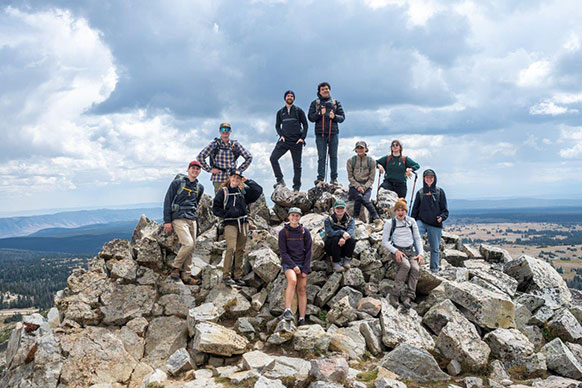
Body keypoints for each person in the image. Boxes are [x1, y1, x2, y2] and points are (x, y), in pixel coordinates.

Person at [212, 169, 263, 286]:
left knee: (241, 249)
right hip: (230, 223)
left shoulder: (243, 192)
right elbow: (215, 208)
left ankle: (237, 276)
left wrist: (248, 181)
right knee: (231, 248)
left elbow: (258, 190)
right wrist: (227, 215)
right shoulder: (223, 192)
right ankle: (226, 275)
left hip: (243, 223)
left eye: (238, 178)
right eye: (234, 177)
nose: (235, 180)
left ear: (241, 180)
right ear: (230, 178)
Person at [163, 160, 205, 285]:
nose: (195, 170)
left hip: (192, 218)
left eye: (197, 169)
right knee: (188, 243)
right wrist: (167, 220)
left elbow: (196, 203)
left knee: (191, 248)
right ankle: (175, 267)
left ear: (199, 171)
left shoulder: (199, 187)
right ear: (188, 169)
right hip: (179, 217)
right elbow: (168, 200)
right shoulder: (177, 183)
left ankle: (187, 276)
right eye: (193, 168)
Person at [382, 199, 424, 309]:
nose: (400, 212)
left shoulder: (411, 221)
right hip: (398, 251)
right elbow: (384, 241)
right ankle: (394, 294)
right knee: (405, 266)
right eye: (398, 210)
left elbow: (417, 238)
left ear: (406, 211)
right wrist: (395, 251)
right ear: (395, 211)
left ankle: (409, 296)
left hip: (411, 251)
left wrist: (420, 253)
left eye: (403, 210)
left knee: (415, 268)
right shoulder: (390, 223)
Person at [279, 207, 313, 326]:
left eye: (297, 215)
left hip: (302, 263)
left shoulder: (305, 232)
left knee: (302, 289)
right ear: (288, 217)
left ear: (300, 217)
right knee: (292, 280)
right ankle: (287, 310)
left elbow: (309, 251)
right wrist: (293, 266)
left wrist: (305, 268)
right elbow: (283, 252)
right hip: (289, 263)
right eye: (292, 215)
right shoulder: (283, 232)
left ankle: (302, 318)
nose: (294, 217)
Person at [197, 122, 253, 194]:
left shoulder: (235, 145)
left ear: (230, 131)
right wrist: (210, 169)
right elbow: (200, 157)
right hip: (219, 178)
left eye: (227, 130)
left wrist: (239, 170)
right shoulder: (214, 144)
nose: (225, 132)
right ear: (220, 131)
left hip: (234, 178)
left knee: (239, 196)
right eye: (223, 129)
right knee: (220, 200)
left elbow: (249, 157)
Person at [411, 169, 449, 273]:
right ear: (424, 178)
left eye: (431, 177)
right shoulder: (420, 192)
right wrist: (412, 223)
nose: (429, 179)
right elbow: (415, 209)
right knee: (414, 239)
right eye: (427, 177)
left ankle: (434, 270)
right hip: (421, 222)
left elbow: (445, 211)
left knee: (435, 249)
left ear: (434, 178)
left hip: (435, 224)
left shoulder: (439, 192)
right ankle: (414, 264)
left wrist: (442, 217)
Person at [308, 82, 345, 185]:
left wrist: (334, 117)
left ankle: (334, 179)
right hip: (320, 134)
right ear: (319, 91)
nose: (325, 90)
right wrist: (319, 113)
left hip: (333, 133)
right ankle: (320, 178)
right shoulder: (315, 103)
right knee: (321, 157)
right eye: (323, 89)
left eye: (327, 89)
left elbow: (342, 117)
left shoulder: (335, 103)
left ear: (329, 90)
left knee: (333, 156)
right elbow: (310, 117)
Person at [271, 90, 308, 192]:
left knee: (297, 166)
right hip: (284, 141)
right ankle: (280, 180)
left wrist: (302, 138)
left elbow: (305, 124)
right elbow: (277, 125)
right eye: (288, 96)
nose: (290, 97)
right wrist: (281, 135)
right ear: (285, 98)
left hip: (297, 141)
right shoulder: (280, 112)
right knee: (273, 158)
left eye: (292, 96)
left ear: (294, 98)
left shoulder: (298, 111)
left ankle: (296, 187)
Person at [347, 141, 383, 230]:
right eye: (358, 148)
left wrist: (364, 187)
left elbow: (371, 179)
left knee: (365, 199)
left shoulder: (371, 161)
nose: (360, 150)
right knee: (359, 197)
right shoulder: (351, 161)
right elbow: (350, 177)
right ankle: (375, 219)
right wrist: (358, 186)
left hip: (366, 187)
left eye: (361, 148)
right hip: (354, 186)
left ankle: (358, 218)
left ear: (366, 149)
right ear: (355, 149)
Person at [324, 200, 355, 273]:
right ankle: (336, 262)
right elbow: (330, 232)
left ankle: (347, 259)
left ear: (345, 209)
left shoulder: (350, 219)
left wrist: (343, 238)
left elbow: (351, 230)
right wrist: (341, 232)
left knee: (352, 240)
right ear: (334, 209)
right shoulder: (329, 220)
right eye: (338, 208)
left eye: (342, 208)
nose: (340, 210)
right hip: (332, 245)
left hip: (344, 242)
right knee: (335, 239)